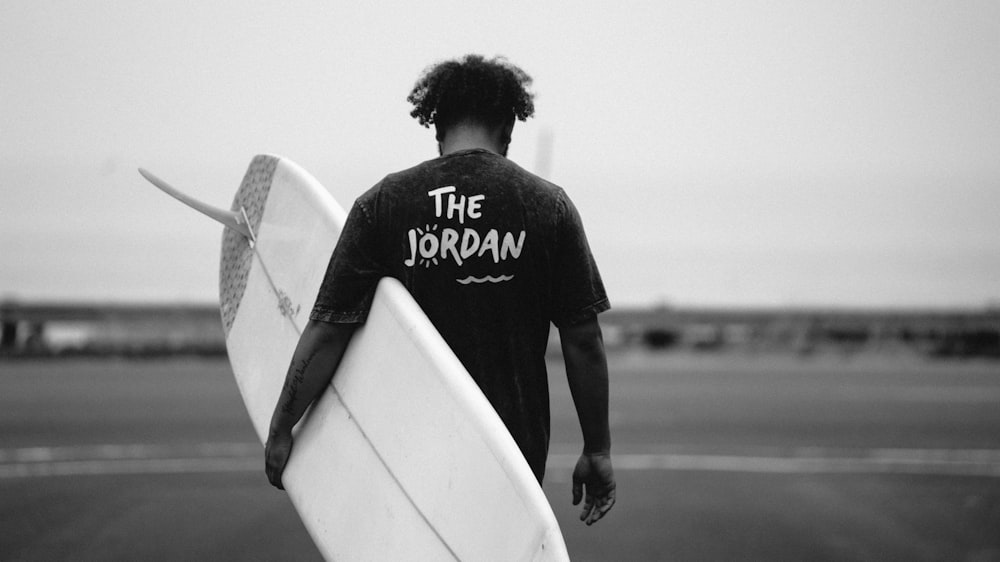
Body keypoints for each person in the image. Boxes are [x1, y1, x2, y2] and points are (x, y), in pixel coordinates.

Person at [264, 54, 615, 525]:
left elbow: (329, 329)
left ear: (437, 127)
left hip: (406, 453)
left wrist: (283, 425)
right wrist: (597, 448)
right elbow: (584, 341)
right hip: (512, 453)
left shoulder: (382, 204)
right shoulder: (548, 207)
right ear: (508, 130)